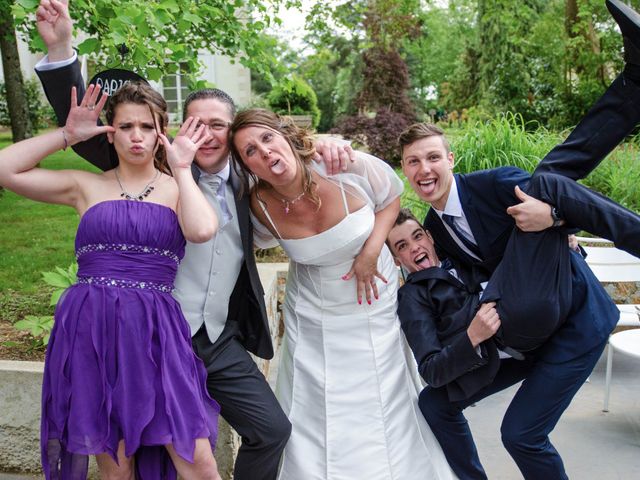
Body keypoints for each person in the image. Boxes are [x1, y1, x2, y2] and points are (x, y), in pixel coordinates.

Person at [33, 2, 352, 478]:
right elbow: (90, 126)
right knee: (154, 450)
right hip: (150, 334)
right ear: (176, 128)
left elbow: (295, 170)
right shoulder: (150, 168)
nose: (204, 134)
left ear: (232, 132)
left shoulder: (252, 181)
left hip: (218, 338)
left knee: (271, 431)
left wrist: (330, 146)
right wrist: (59, 50)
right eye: (194, 124)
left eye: (218, 125)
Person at [394, 2, 640, 477]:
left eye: (432, 158)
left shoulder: (492, 184)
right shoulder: (434, 229)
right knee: (465, 414)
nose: (424, 170)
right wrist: (555, 221)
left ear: (450, 157)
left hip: (576, 318)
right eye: (412, 163)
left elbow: (559, 206)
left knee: (545, 182)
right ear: (404, 170)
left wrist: (556, 220)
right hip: (526, 324)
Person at [0, 80, 222, 478]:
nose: (136, 136)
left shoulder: (176, 188)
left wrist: (183, 168)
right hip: (92, 327)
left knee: (197, 459)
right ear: (110, 131)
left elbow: (202, 230)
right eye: (125, 126)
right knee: (116, 464)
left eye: (147, 127)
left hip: (155, 331)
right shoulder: (85, 186)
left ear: (161, 133)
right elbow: (5, 169)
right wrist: (66, 136)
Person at [227, 109, 455, 480]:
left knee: (380, 401)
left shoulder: (341, 163)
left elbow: (391, 198)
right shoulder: (259, 206)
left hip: (371, 303)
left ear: (286, 136)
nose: (264, 152)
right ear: (246, 165)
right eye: (250, 150)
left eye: (268, 138)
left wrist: (369, 251)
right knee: (316, 409)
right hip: (312, 315)